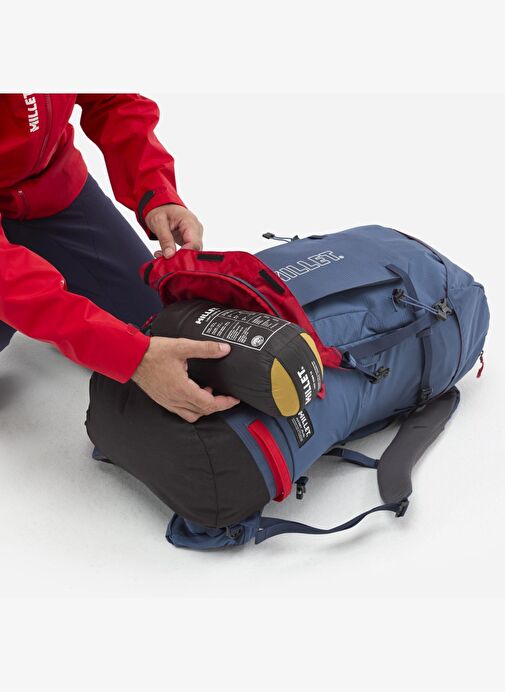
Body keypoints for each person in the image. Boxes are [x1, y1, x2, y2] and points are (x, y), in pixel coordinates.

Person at [0, 93, 239, 422]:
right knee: (129, 347)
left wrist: (156, 190)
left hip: (52, 188)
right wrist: (131, 357)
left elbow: (113, 98)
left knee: (162, 330)